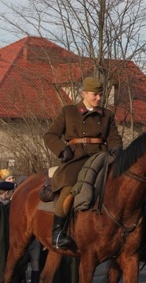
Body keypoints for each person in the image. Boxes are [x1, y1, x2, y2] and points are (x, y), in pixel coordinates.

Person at [43, 76, 122, 250]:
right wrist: (62, 150)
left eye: (100, 95)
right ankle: (58, 233)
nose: (99, 99)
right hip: (76, 157)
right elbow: (50, 135)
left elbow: (114, 139)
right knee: (69, 187)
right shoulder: (68, 111)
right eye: (95, 95)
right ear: (84, 94)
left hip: (101, 156)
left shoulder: (107, 115)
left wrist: (116, 150)